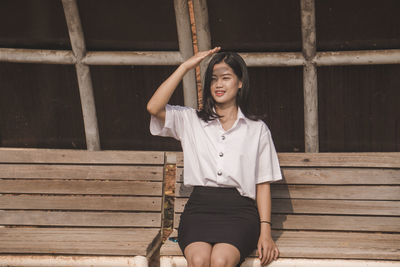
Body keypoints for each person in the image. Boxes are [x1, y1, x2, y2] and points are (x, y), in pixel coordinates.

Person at [147, 47, 282, 267]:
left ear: (240, 83)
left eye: (226, 78)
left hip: (240, 212)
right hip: (199, 209)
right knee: (199, 261)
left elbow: (262, 183)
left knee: (220, 261)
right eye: (213, 79)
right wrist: (185, 67)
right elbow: (153, 107)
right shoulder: (190, 120)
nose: (218, 85)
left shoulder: (257, 129)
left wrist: (266, 232)